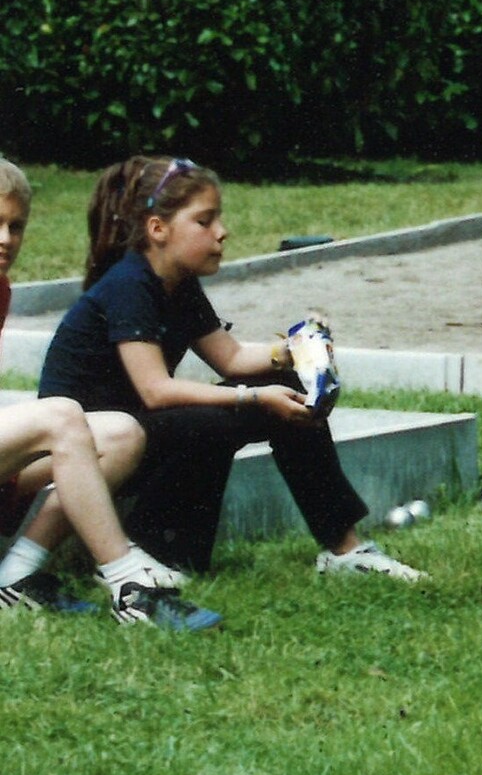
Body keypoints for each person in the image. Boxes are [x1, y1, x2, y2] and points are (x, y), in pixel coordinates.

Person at [39, 156, 421, 582]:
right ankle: (154, 552)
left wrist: (295, 350)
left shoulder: (178, 283)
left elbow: (232, 359)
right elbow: (156, 392)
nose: (222, 232)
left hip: (140, 430)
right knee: (213, 420)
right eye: (205, 221)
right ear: (157, 229)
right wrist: (254, 398)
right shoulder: (131, 285)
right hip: (96, 448)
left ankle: (344, 549)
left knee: (286, 386)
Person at [0, 159, 208, 627]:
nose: (5, 239)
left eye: (15, 225)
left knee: (120, 433)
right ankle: (128, 583)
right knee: (60, 417)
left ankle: (14, 577)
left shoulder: (1, 290)